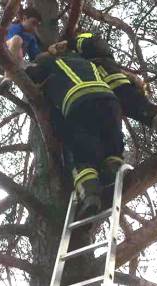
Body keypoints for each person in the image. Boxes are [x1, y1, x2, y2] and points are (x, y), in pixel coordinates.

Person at [25, 50, 125, 219]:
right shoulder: (88, 62)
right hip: (110, 102)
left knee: (81, 155)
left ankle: (90, 194)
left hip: (80, 103)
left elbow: (30, 75)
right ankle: (113, 176)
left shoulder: (51, 63)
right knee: (112, 148)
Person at [49, 33, 157, 142]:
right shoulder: (91, 55)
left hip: (107, 96)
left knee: (145, 113)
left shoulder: (84, 53)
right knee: (144, 112)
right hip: (112, 94)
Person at [0, 7, 42, 89]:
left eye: (37, 25)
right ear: (25, 18)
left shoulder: (31, 37)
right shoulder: (14, 27)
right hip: (4, 52)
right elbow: (13, 43)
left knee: (39, 67)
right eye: (33, 23)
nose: (34, 27)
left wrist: (51, 52)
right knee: (17, 39)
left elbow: (36, 55)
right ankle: (7, 77)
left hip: (18, 60)